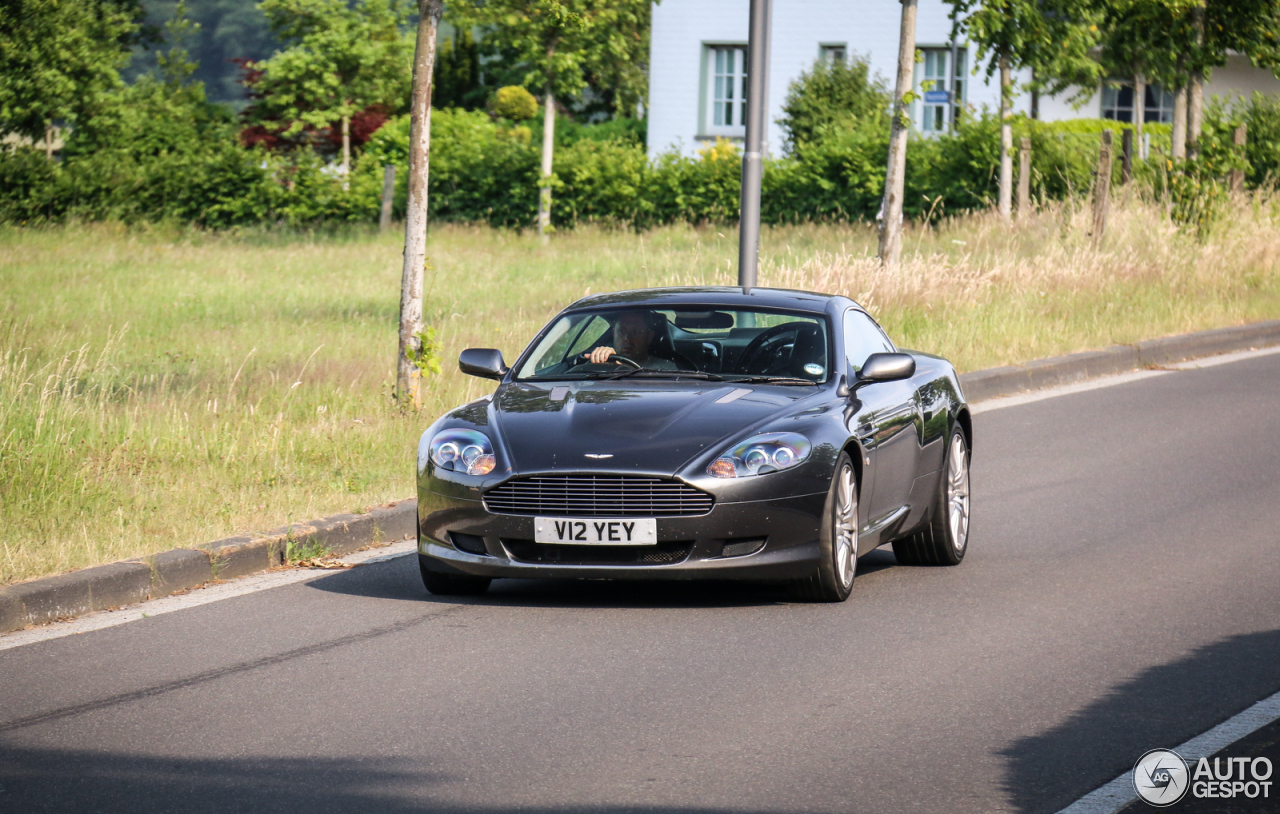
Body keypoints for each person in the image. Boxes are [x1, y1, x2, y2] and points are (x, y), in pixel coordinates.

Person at [585, 310, 679, 369]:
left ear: (649, 336)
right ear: (614, 333)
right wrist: (600, 362)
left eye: (636, 332)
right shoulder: (602, 364)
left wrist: (617, 367)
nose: (627, 338)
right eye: (622, 331)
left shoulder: (665, 368)